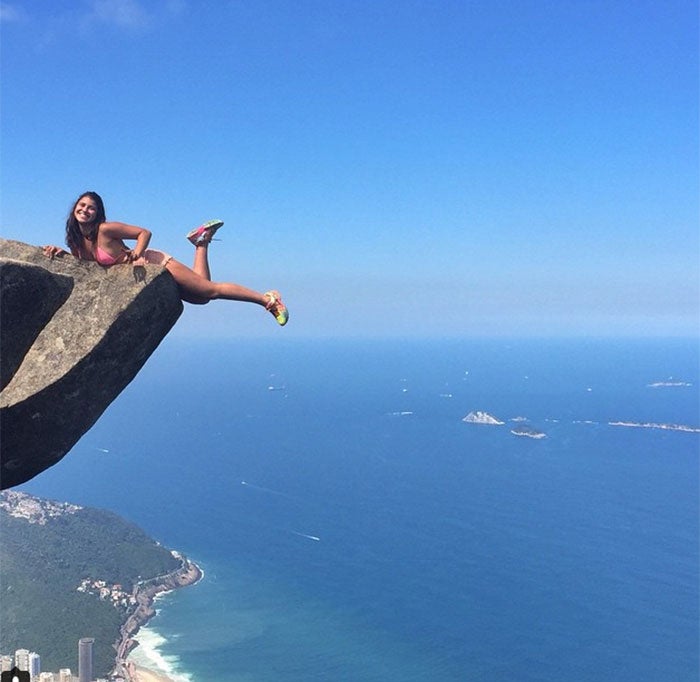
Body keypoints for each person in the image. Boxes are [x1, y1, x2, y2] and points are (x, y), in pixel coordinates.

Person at [43, 191, 288, 325]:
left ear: (98, 213)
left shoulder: (106, 229)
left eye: (91, 207)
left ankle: (267, 299)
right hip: (145, 277)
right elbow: (84, 266)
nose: (85, 210)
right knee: (200, 298)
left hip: (156, 263)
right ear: (75, 207)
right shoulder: (77, 242)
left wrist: (137, 253)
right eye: (82, 205)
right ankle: (200, 242)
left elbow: (144, 232)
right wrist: (60, 253)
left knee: (209, 291)